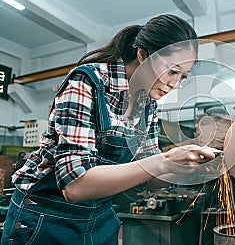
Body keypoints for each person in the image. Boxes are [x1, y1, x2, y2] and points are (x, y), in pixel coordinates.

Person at [1, 14, 215, 245]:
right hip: (45, 219)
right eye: (172, 71)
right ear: (143, 55)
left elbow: (148, 178)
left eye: (183, 76)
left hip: (100, 218)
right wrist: (163, 160)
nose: (175, 84)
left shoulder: (147, 103)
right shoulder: (87, 82)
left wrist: (190, 167)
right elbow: (75, 187)